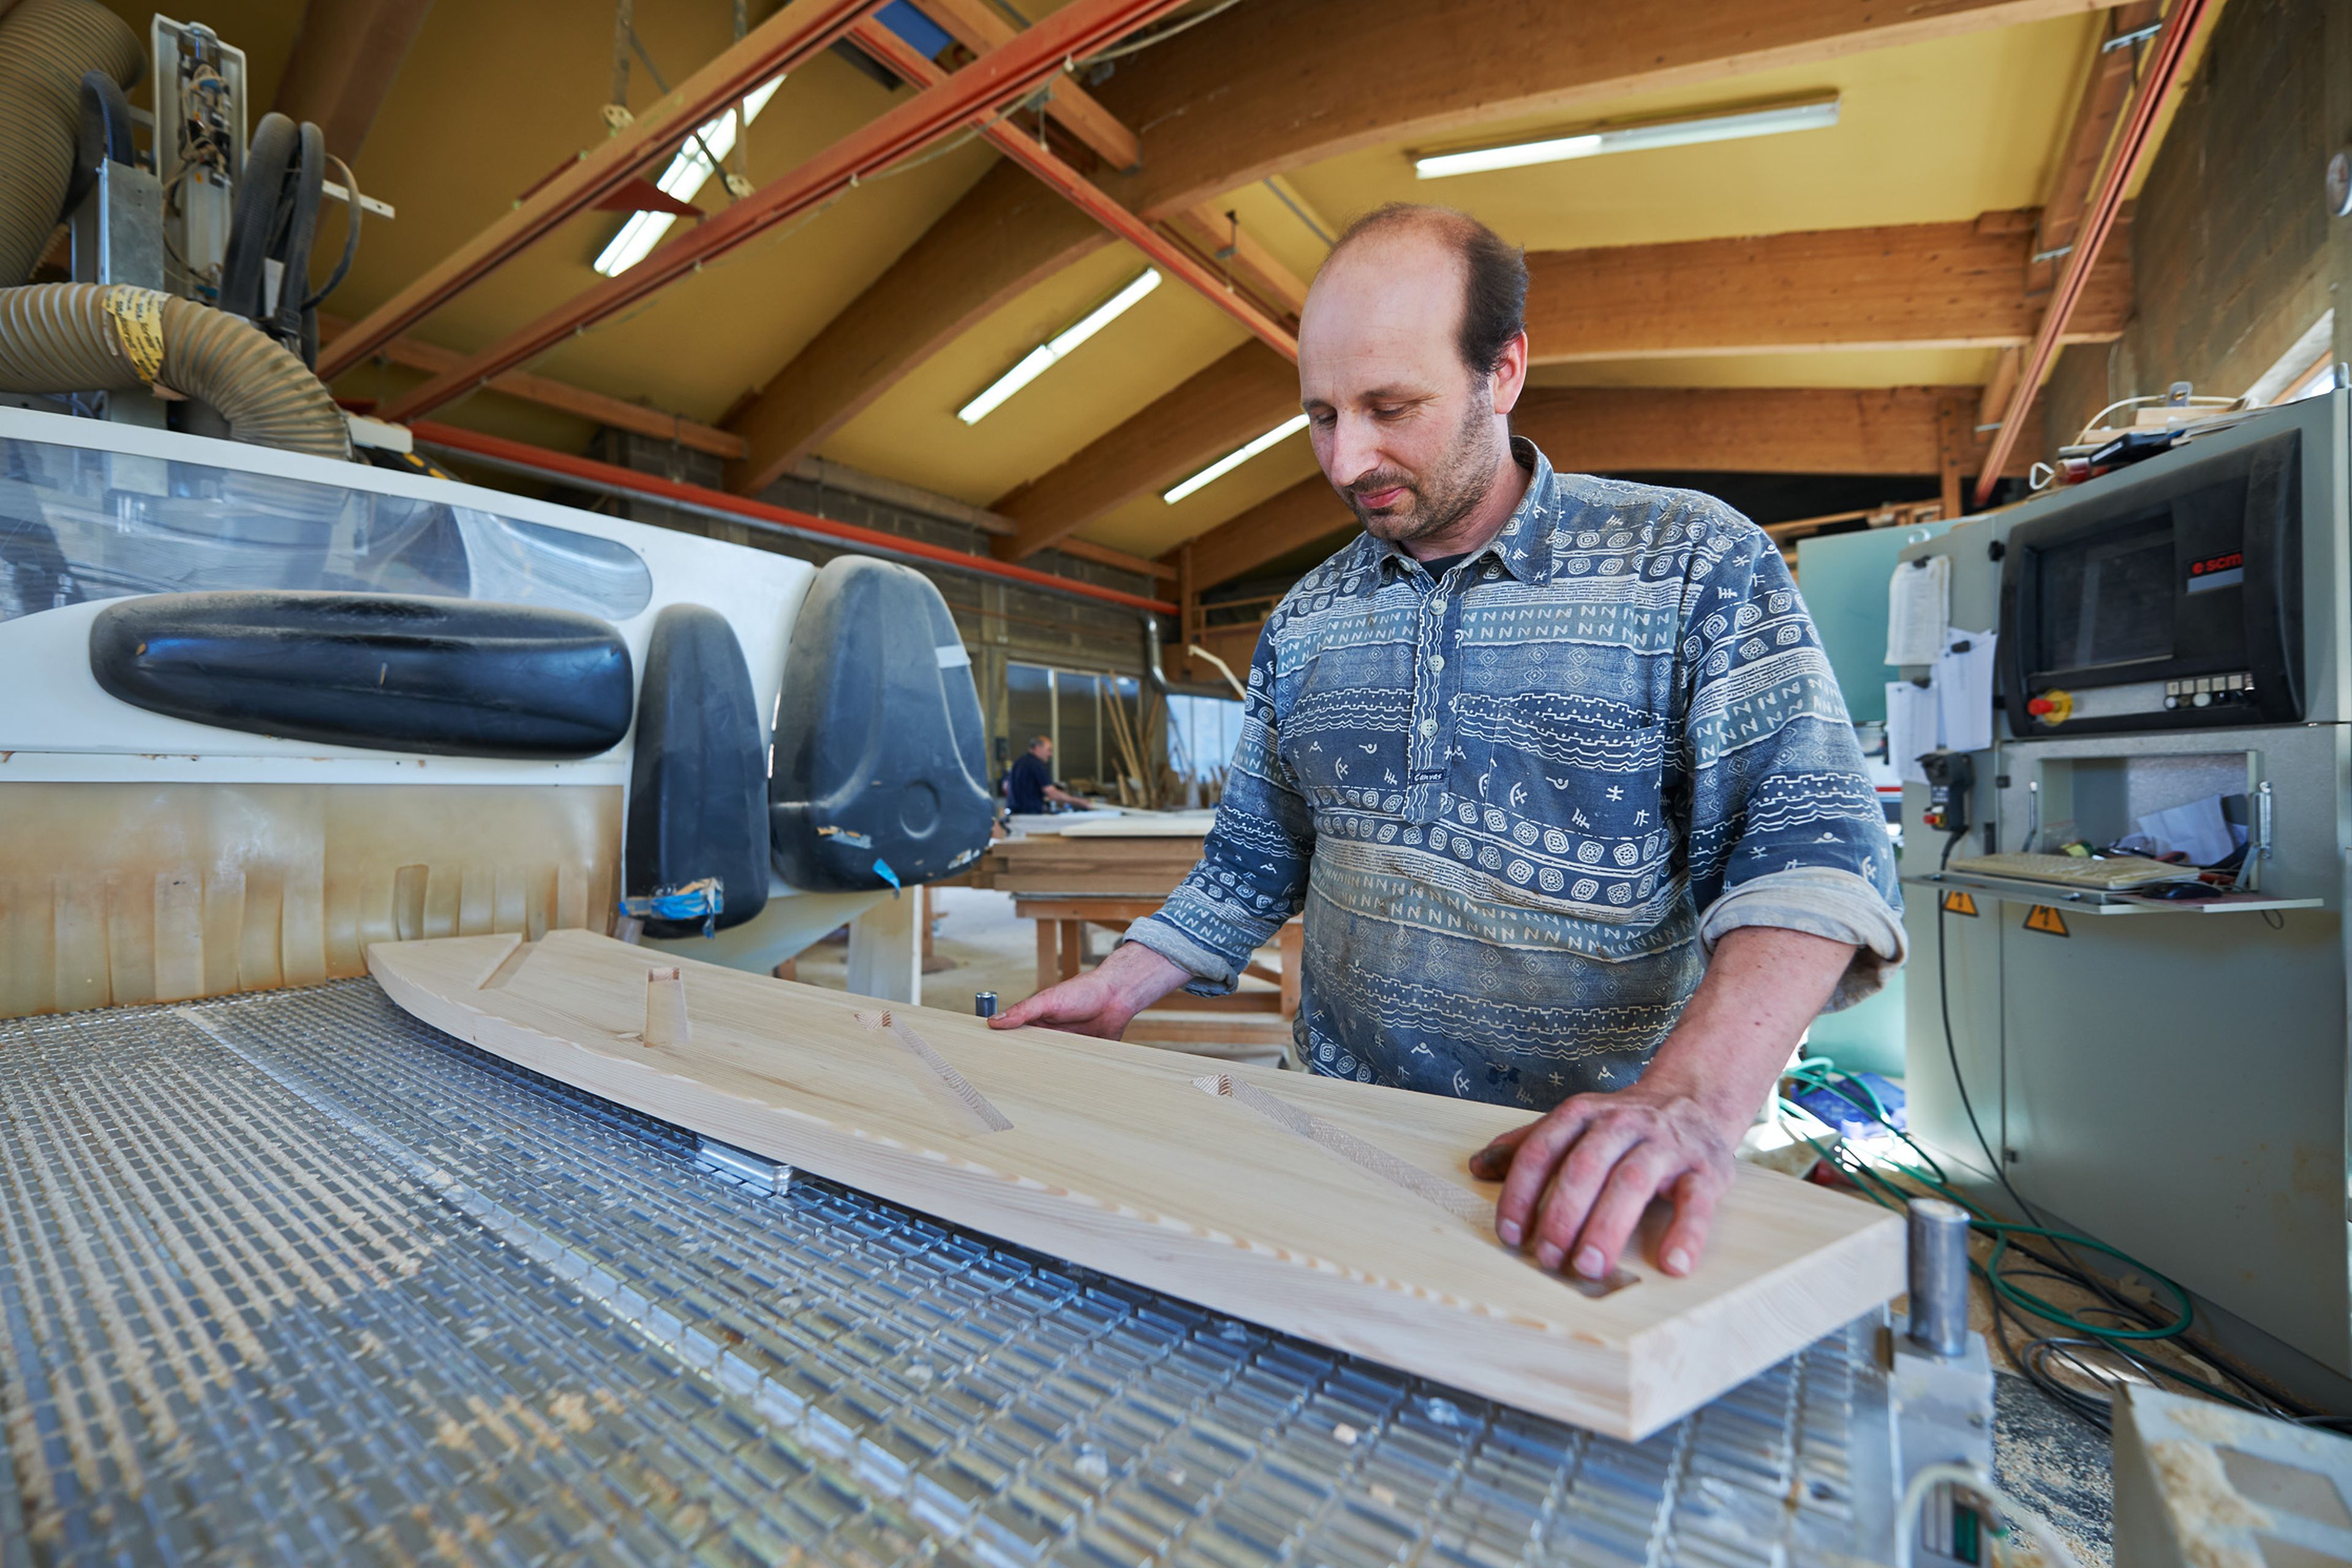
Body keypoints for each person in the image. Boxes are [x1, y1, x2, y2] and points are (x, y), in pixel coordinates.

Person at [992, 202, 1902, 1287]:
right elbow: (1254, 857)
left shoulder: (1692, 565)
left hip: (1588, 1169)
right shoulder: (1309, 618)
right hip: (1334, 1137)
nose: (1347, 461)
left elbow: (1815, 857)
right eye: (1321, 415)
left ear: (1503, 370)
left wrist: (1692, 1102)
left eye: (1391, 406)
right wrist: (1126, 981)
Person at [1004, 735, 1094, 816]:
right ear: (1038, 748)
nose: (1050, 754)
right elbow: (1052, 793)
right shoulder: (1036, 765)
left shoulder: (1018, 762)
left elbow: (1006, 786)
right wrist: (1080, 802)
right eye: (1049, 750)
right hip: (1030, 815)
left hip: (1014, 814)